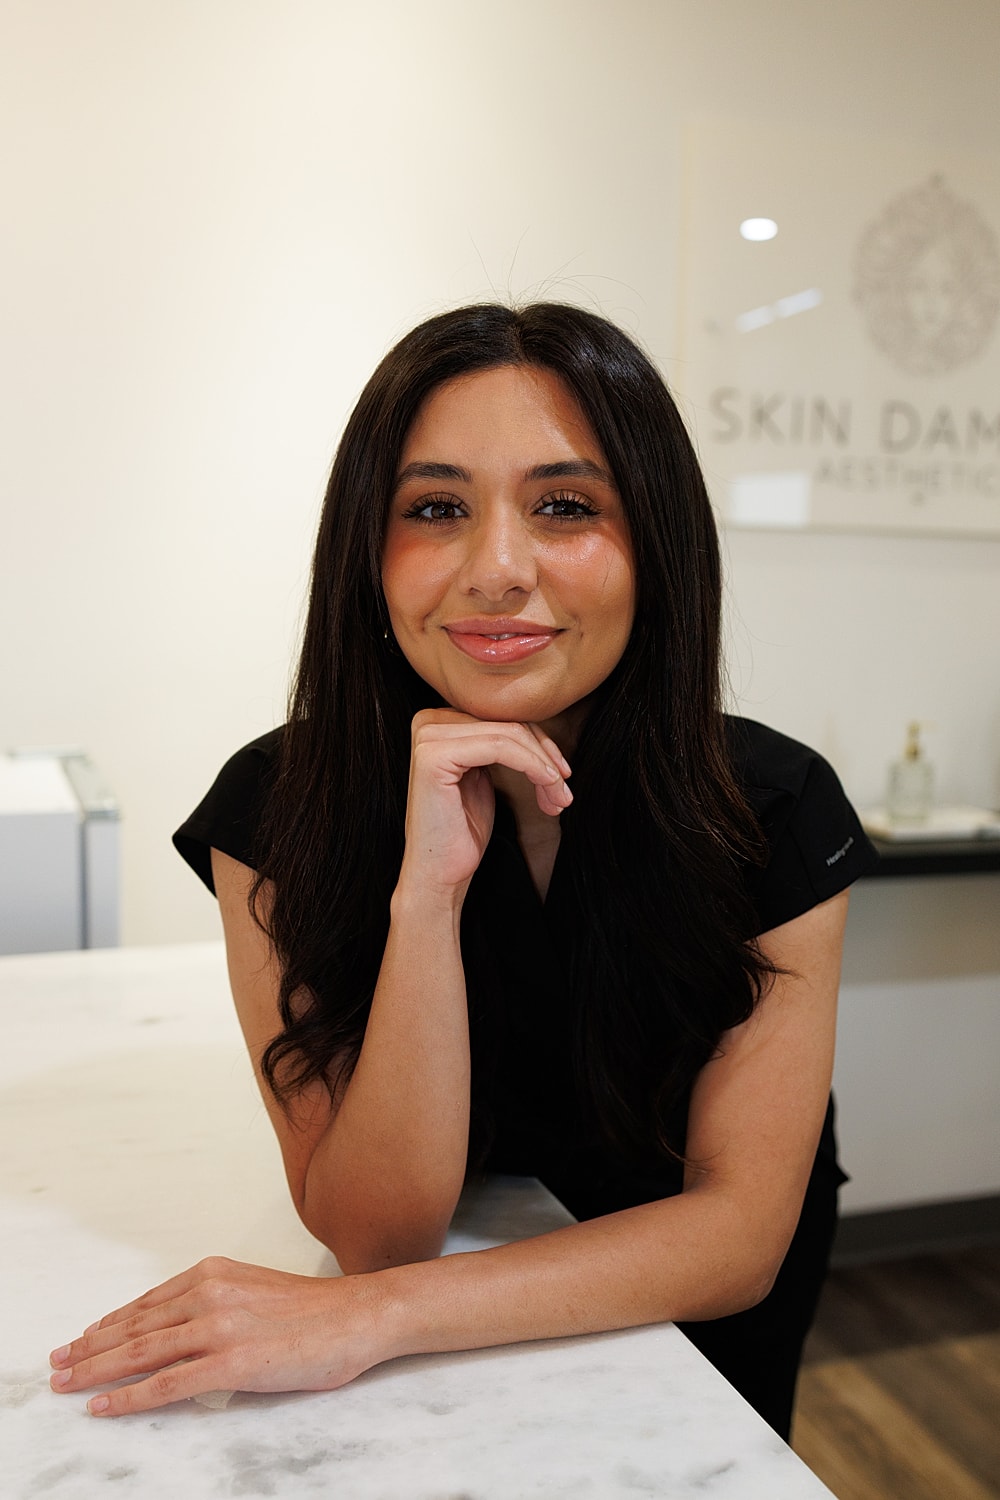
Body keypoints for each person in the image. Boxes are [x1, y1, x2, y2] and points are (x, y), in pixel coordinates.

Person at [49, 302, 876, 1437]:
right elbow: (376, 1232)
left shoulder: (768, 808)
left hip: (683, 1334)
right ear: (366, 551)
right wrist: (426, 895)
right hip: (423, 1353)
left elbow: (735, 1236)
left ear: (658, 546)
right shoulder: (279, 808)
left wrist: (374, 1316)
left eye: (566, 507)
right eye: (436, 508)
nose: (496, 570)